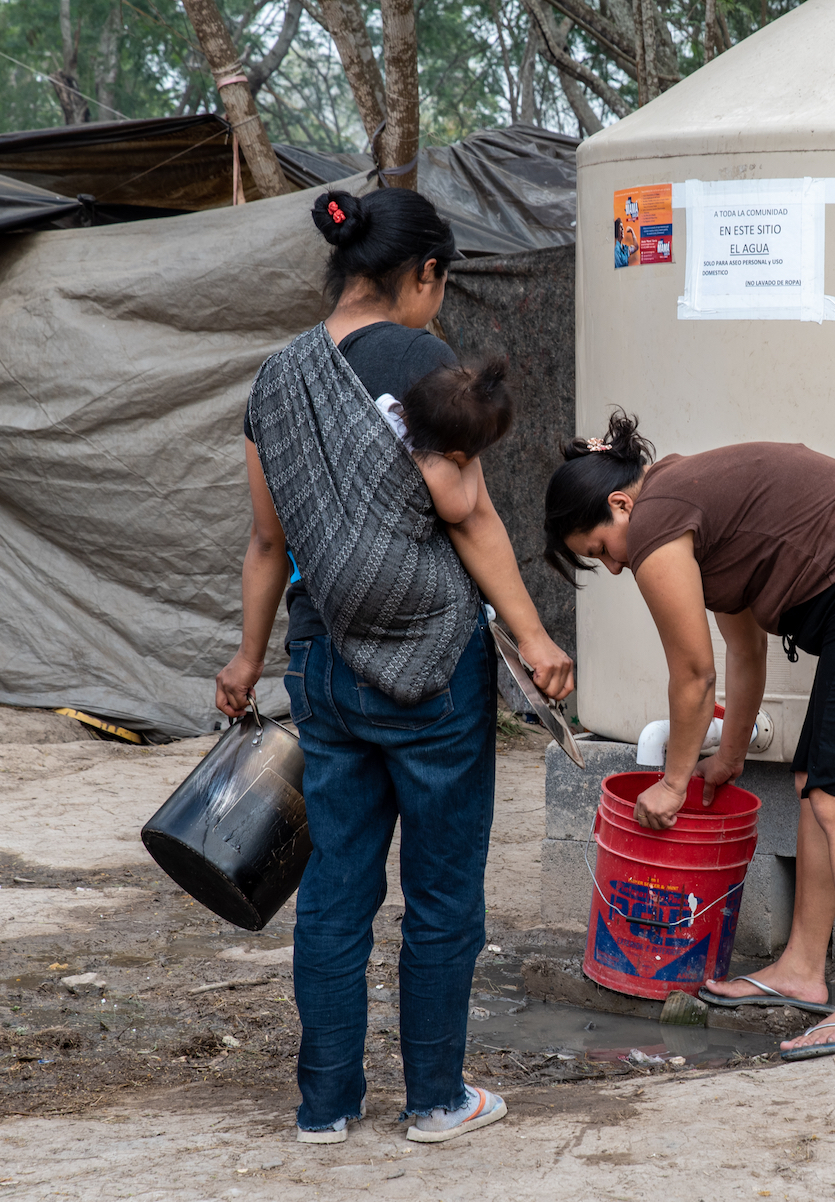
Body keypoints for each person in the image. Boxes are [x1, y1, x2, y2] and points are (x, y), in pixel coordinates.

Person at [215, 187, 572, 1145]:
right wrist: (534, 638)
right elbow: (470, 514)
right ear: (423, 275)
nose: (437, 310)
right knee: (444, 889)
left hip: (325, 662)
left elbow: (263, 541)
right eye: (439, 289)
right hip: (432, 668)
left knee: (336, 887)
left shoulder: (276, 382)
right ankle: (435, 1100)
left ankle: (325, 1108)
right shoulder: (420, 360)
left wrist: (247, 661)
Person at [541, 412, 835, 1059]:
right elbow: (745, 652)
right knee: (815, 785)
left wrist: (674, 782)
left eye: (600, 549)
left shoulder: (658, 519)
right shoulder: (692, 505)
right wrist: (730, 754)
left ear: (621, 503)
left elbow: (691, 673)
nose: (617, 568)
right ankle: (800, 969)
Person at [396, 357, 513, 525]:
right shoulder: (434, 465)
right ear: (453, 455)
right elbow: (460, 510)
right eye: (481, 452)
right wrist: (470, 464)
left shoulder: (386, 405)